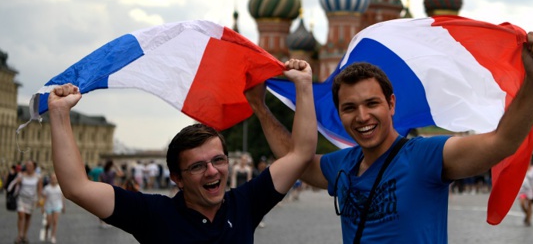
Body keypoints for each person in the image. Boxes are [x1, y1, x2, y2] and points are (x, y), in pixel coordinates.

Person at [252, 32, 533, 243]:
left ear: (391, 104)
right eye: (349, 108)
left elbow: (501, 143)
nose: (362, 117)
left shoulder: (425, 156)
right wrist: (260, 107)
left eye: (372, 104)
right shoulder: (343, 164)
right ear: (340, 114)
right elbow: (297, 162)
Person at [46, 59, 316, 243]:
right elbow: (76, 187)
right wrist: (59, 114)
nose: (212, 170)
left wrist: (303, 85)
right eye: (197, 166)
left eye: (218, 160)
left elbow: (301, 154)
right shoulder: (154, 214)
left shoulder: (245, 204)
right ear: (177, 177)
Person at [8, 160, 43, 244]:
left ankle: (25, 235)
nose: (28, 167)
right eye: (27, 165)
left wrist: (39, 199)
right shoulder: (21, 175)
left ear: (34, 167)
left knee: (27, 217)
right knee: (21, 215)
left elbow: (39, 189)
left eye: (30, 165)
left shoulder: (38, 177)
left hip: (31, 200)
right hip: (21, 198)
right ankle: (19, 235)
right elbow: (13, 184)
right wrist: (17, 182)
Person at [41, 173, 65, 243]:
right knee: (48, 222)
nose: (53, 179)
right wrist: (42, 207)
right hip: (48, 206)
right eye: (52, 178)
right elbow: (44, 199)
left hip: (57, 206)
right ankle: (46, 230)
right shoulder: (47, 188)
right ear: (50, 179)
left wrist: (63, 206)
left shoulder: (60, 188)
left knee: (55, 222)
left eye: (55, 178)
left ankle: (53, 236)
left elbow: (62, 197)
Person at [518, 158, 533, 226]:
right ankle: (527, 215)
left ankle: (528, 219)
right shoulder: (521, 168)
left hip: (531, 189)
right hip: (522, 190)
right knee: (522, 204)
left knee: (529, 204)